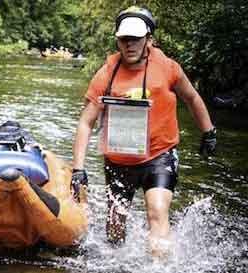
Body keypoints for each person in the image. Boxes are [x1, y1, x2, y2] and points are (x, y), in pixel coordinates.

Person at [70, 6, 217, 256]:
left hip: (159, 155)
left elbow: (192, 98)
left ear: (149, 39)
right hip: (118, 160)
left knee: (157, 211)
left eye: (136, 39)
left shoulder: (168, 68)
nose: (129, 45)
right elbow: (86, 122)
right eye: (124, 39)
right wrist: (78, 169)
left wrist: (208, 131)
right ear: (117, 39)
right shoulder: (106, 74)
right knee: (115, 230)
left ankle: (159, 266)